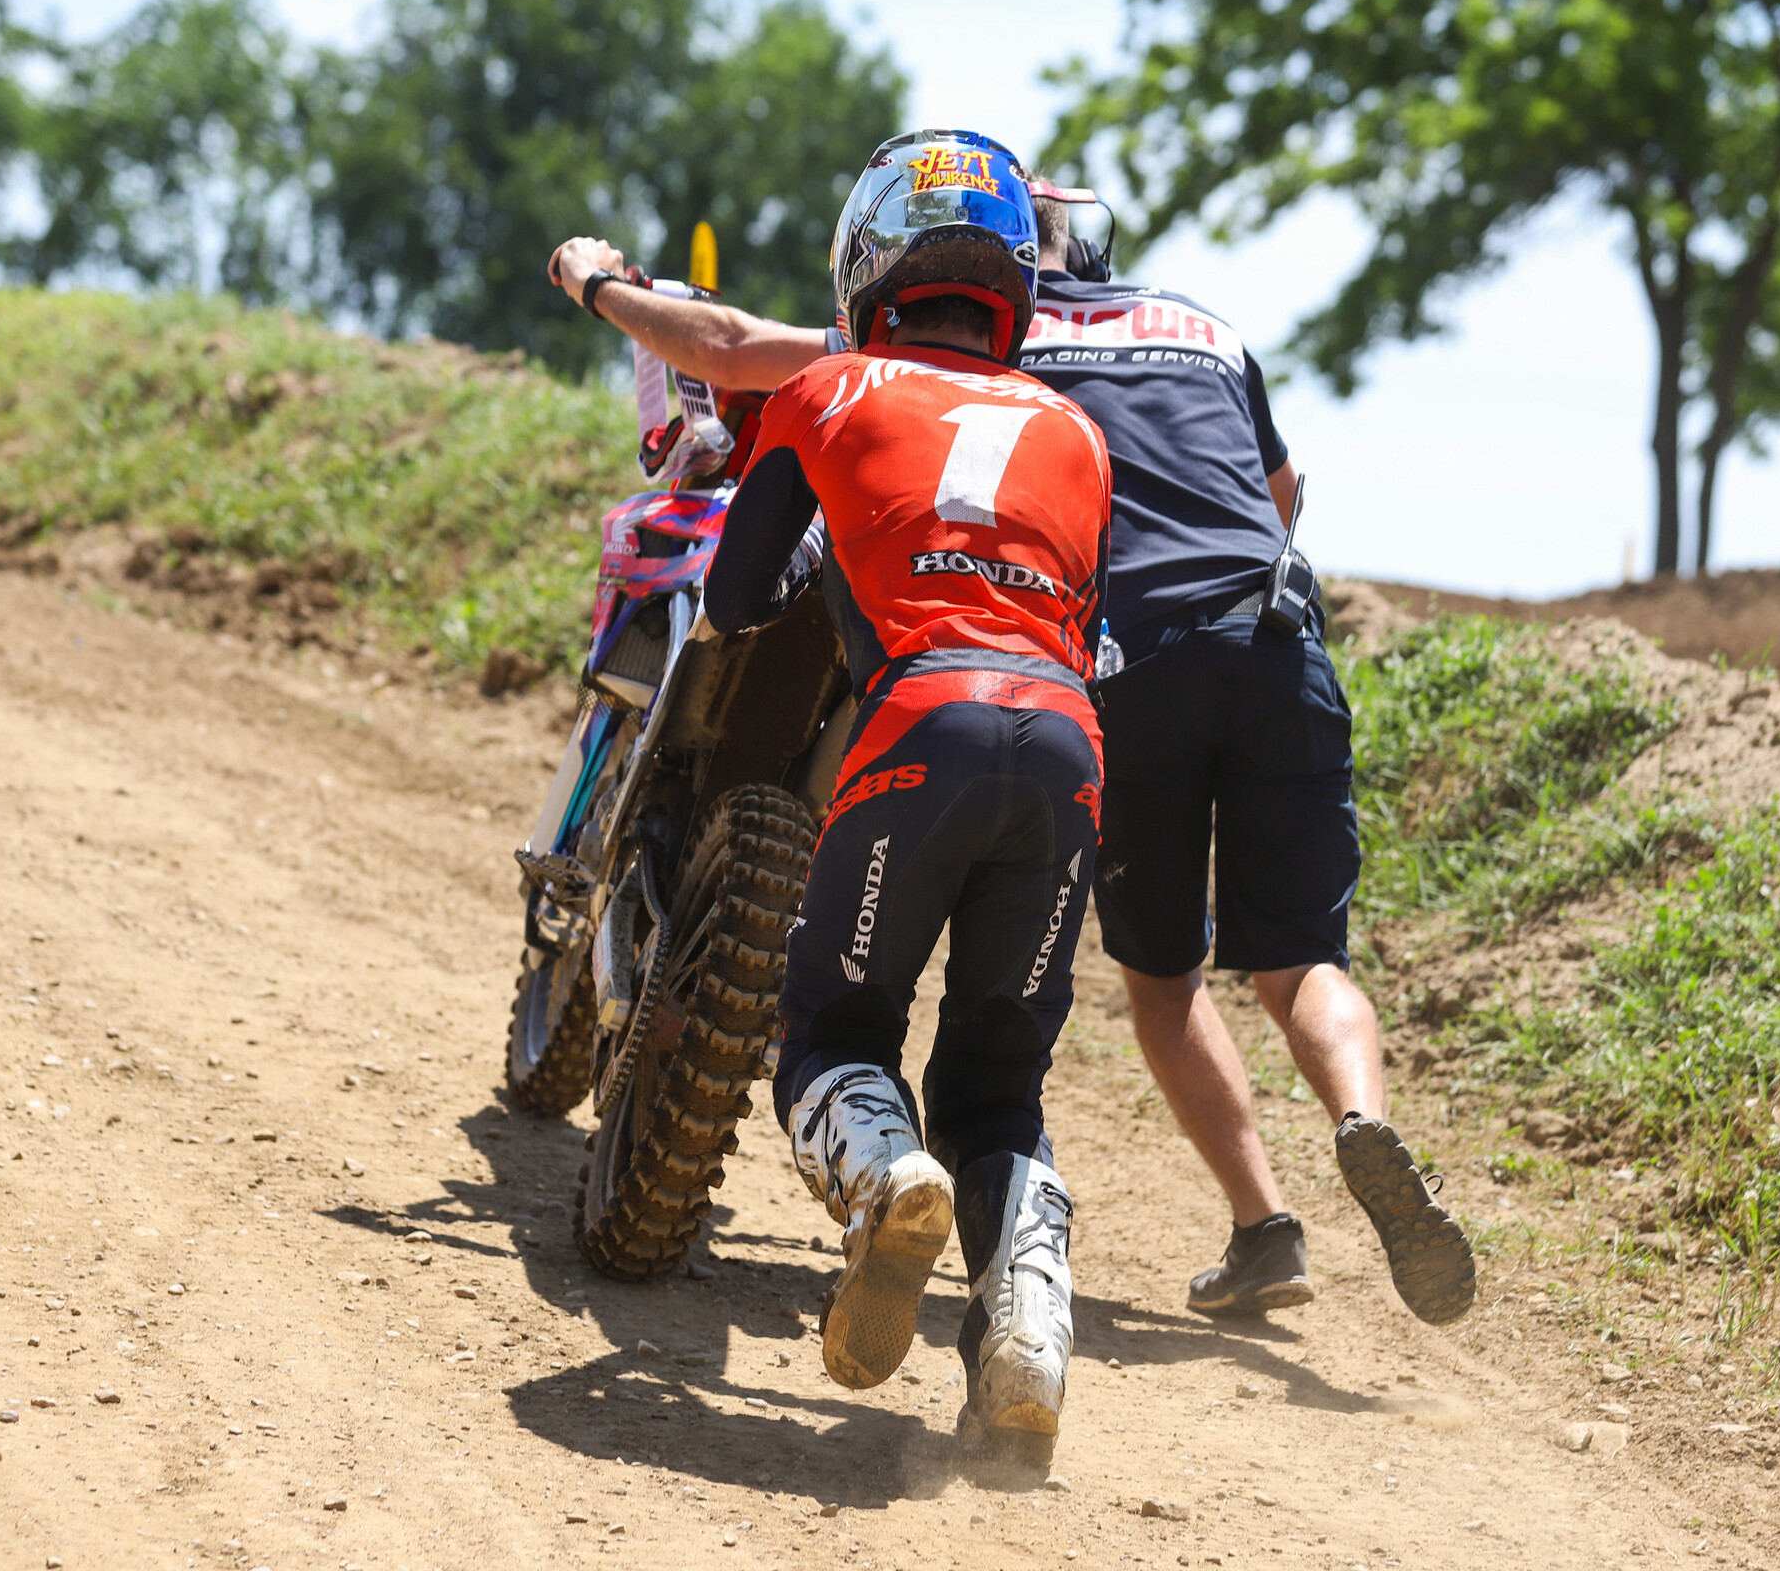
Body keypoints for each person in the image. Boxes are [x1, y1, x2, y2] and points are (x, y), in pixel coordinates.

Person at [547, 174, 1474, 1331]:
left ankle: (1238, 1215)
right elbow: (1282, 497)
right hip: (1258, 644)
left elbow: (728, 350)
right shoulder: (1202, 329)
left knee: (1154, 978)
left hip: (1083, 673)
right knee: (1291, 966)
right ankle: (1345, 1131)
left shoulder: (948, 354)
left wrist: (602, 286)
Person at [660, 128, 1112, 1465]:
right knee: (999, 1084)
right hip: (1069, 748)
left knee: (834, 1030)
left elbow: (740, 594)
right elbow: (1093, 625)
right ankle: (1027, 1336)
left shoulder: (829, 387)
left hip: (921, 723)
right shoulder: (1079, 433)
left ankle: (885, 1176)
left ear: (868, 264)